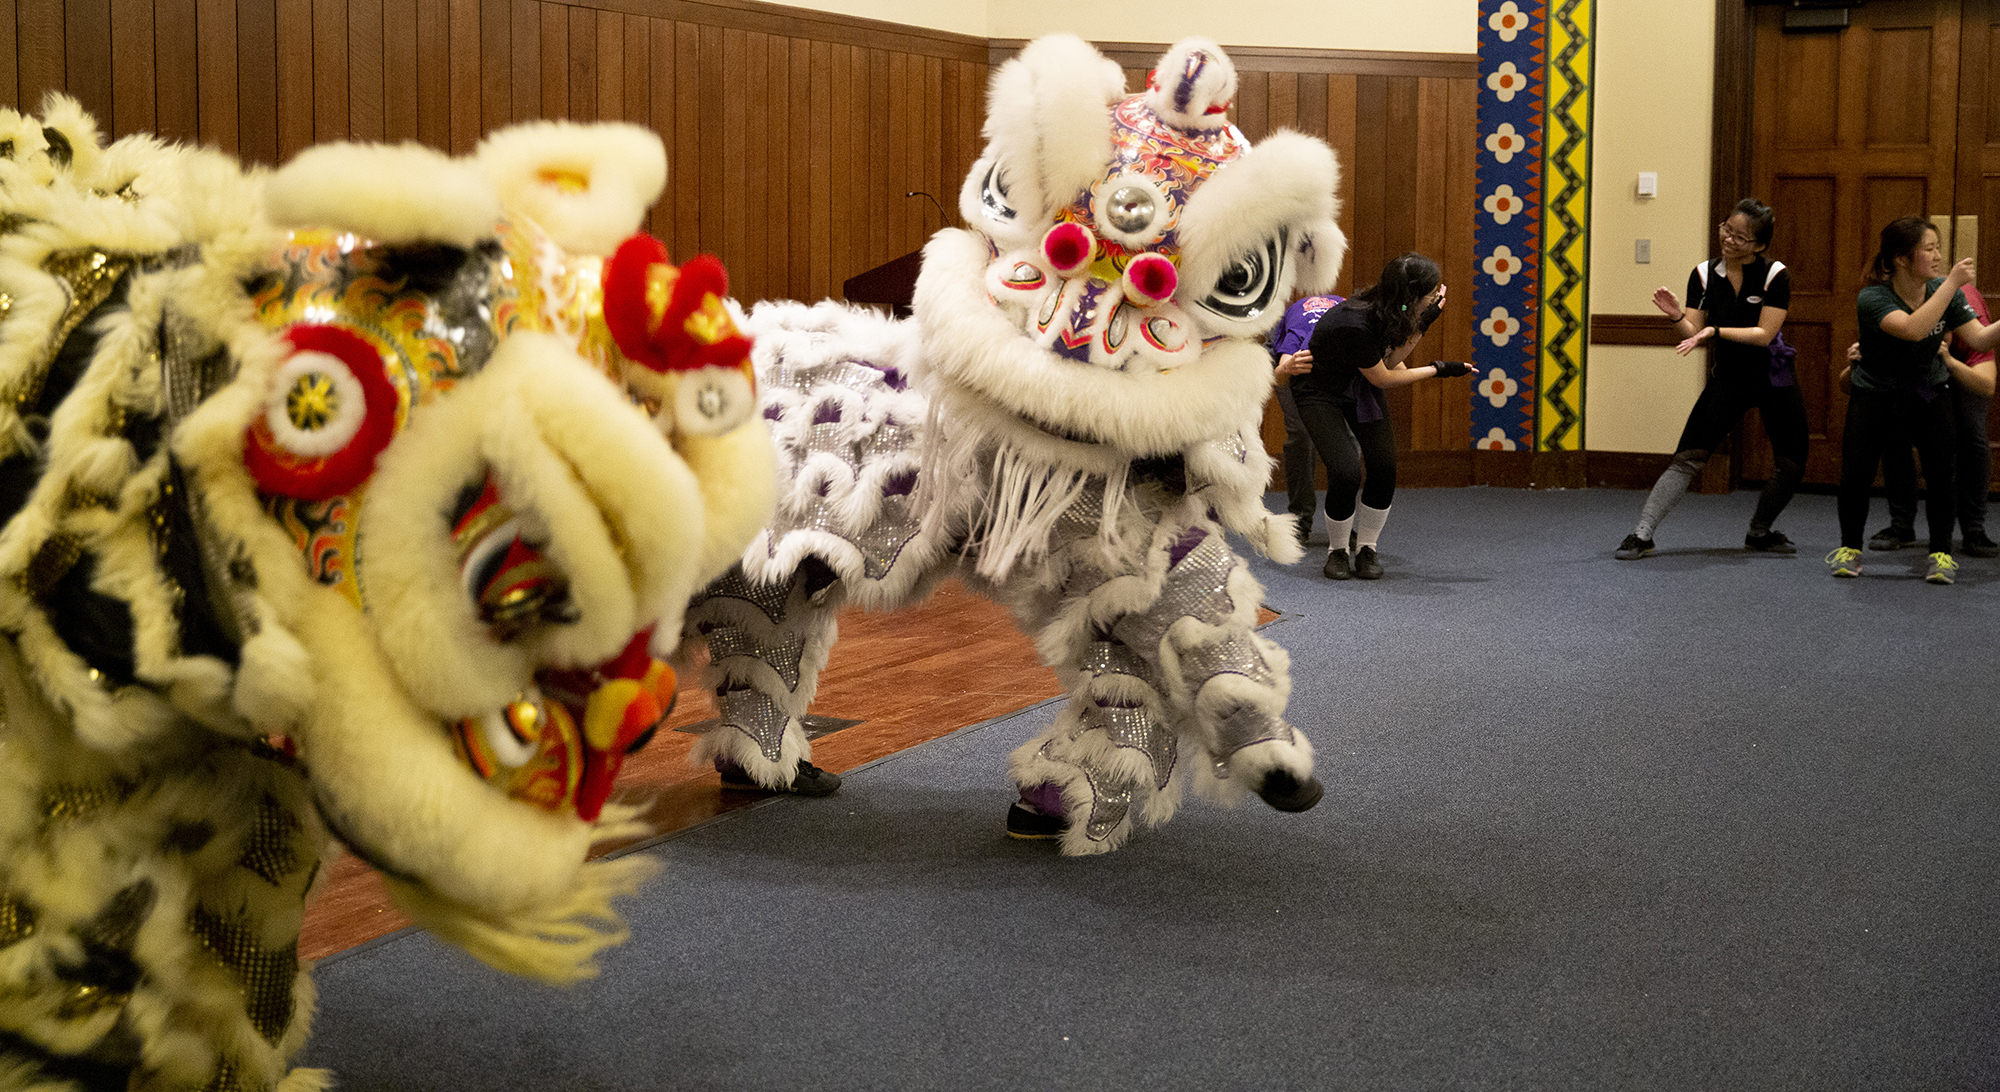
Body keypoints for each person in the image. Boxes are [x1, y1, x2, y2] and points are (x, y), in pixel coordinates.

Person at [1616, 198, 1804, 560]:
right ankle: (1642, 535)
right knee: (1688, 455)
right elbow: (1694, 332)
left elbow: (1764, 335)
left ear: (1760, 245)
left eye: (1741, 237)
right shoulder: (1703, 274)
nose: (1729, 240)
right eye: (1727, 230)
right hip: (1729, 377)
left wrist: (1715, 330)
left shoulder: (1775, 274)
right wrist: (1676, 317)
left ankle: (1759, 532)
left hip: (1772, 375)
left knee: (1793, 460)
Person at [1827, 217, 2000, 583]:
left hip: (1928, 391)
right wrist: (1952, 283)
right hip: (1875, 394)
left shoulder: (1943, 291)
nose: (1938, 256)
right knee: (1856, 474)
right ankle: (1850, 550)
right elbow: (1912, 329)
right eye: (1929, 248)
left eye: (1939, 248)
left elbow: (1981, 339)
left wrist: (1951, 289)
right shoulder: (1873, 296)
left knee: (1941, 473)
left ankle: (1940, 554)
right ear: (1902, 259)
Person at [1278, 252, 1466, 580]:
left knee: (1383, 466)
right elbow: (1385, 378)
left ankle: (1367, 547)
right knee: (1346, 470)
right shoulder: (1355, 320)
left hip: (1358, 385)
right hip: (1318, 391)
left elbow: (1390, 363)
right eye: (1430, 294)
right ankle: (1337, 550)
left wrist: (1420, 325)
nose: (1436, 298)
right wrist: (1439, 369)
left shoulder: (1395, 310)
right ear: (1411, 296)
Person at [1862, 283, 1996, 556]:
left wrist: (1948, 360)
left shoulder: (1965, 313)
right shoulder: (1893, 308)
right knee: (1894, 432)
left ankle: (1973, 529)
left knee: (1972, 436)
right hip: (1920, 370)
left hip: (1962, 370)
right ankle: (1901, 526)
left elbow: (1986, 385)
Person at [1268, 294, 1338, 549]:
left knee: (1349, 440)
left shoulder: (1359, 329)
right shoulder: (1298, 334)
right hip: (1292, 367)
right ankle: (1300, 520)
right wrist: (1287, 366)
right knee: (1301, 435)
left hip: (1337, 366)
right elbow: (1277, 377)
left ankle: (1341, 519)